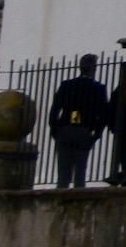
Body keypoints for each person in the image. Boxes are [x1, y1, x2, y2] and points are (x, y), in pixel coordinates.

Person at [46, 56, 110, 191]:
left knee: (63, 175)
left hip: (65, 130)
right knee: (80, 175)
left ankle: (60, 203)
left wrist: (55, 131)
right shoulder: (98, 88)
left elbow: (54, 110)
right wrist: (95, 135)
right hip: (84, 131)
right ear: (93, 68)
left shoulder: (66, 85)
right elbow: (104, 116)